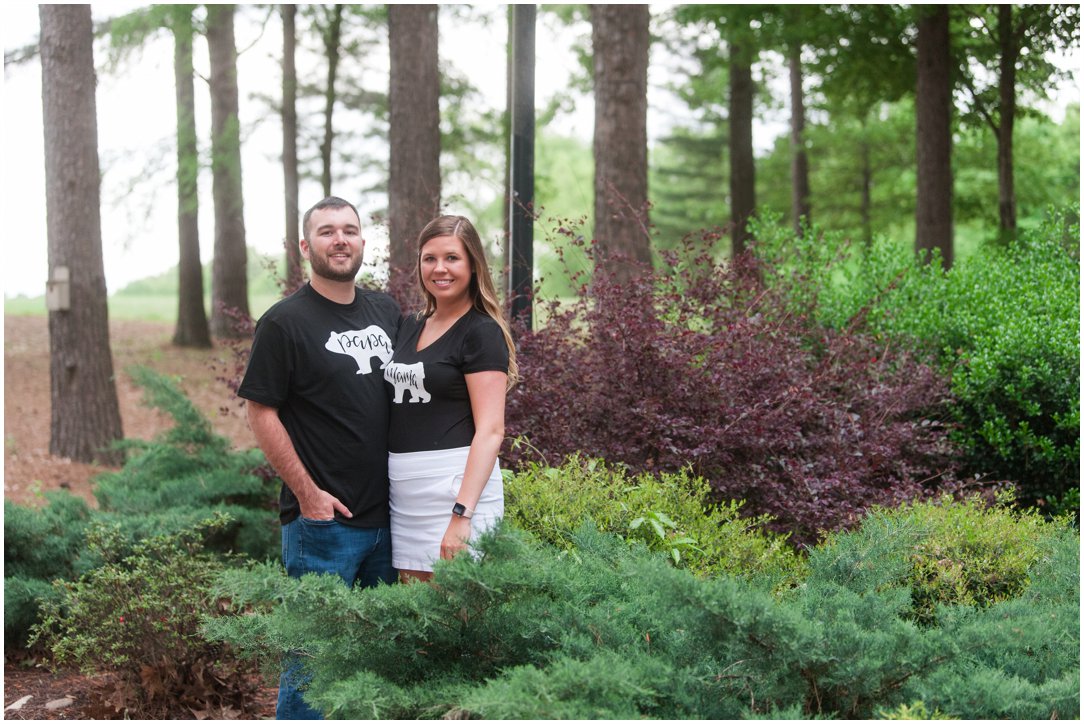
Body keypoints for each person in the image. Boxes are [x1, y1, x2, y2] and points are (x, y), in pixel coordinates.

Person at [237, 196, 399, 719]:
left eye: (349, 229)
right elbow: (261, 411)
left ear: (363, 242)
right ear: (306, 247)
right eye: (327, 231)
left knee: (377, 665)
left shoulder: (386, 311)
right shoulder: (284, 323)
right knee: (312, 665)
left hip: (392, 520)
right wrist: (309, 496)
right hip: (325, 525)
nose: (340, 239)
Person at [382, 215, 518, 582]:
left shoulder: (481, 331)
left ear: (473, 265)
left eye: (452, 258)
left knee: (456, 609)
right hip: (406, 495)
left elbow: (491, 431)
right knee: (418, 609)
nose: (439, 268)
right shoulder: (410, 326)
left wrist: (462, 514)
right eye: (430, 258)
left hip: (456, 491)